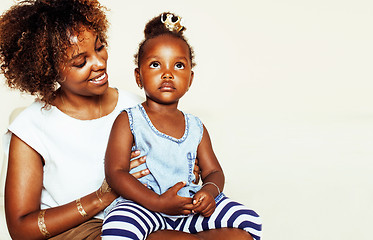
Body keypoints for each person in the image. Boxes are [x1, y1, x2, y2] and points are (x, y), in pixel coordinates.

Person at [102, 12, 262, 240]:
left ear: (190, 78)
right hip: (144, 205)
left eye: (178, 65)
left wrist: (208, 192)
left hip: (189, 205)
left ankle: (190, 235)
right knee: (119, 228)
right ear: (138, 76)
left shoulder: (196, 127)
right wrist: (156, 202)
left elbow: (214, 171)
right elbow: (115, 172)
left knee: (249, 220)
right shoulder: (129, 120)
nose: (167, 74)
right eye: (156, 64)